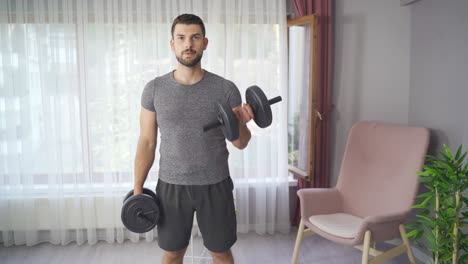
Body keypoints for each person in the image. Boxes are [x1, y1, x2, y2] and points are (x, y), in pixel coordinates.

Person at [133, 14, 253, 264]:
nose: (188, 44)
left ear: (205, 42)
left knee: (220, 252)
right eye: (182, 38)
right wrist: (137, 190)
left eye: (195, 37)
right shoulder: (154, 89)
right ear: (172, 43)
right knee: (173, 252)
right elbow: (147, 142)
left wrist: (241, 121)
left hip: (215, 184)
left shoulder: (225, 89)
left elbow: (240, 143)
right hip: (171, 186)